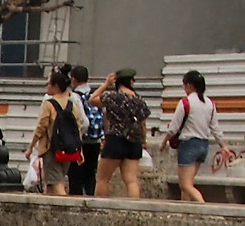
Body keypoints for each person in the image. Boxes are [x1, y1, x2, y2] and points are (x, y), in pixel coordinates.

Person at [163, 69, 222, 203]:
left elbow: (174, 127)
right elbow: (215, 127)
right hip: (203, 145)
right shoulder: (210, 103)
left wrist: (164, 141)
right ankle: (186, 209)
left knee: (185, 185)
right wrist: (223, 145)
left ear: (189, 85)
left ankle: (202, 206)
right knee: (188, 182)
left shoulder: (186, 102)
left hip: (189, 145)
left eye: (184, 85)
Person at [27, 65, 84, 196]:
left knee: (58, 184)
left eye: (49, 84)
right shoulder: (72, 104)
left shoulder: (49, 104)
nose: (47, 87)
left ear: (56, 86)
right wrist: (80, 149)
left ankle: (66, 211)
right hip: (68, 149)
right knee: (51, 184)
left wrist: (31, 147)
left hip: (51, 150)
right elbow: (78, 128)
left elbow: (41, 127)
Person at [95, 69, 150, 199]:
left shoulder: (113, 97)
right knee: (131, 180)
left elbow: (93, 99)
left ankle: (100, 208)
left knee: (103, 179)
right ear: (130, 81)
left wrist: (106, 84)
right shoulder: (139, 100)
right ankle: (133, 209)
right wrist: (143, 141)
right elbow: (143, 124)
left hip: (115, 140)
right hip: (134, 141)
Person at [67, 65, 101, 197]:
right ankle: (91, 199)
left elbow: (83, 122)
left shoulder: (74, 96)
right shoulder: (94, 95)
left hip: (80, 141)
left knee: (75, 176)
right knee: (91, 174)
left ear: (73, 79)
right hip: (95, 141)